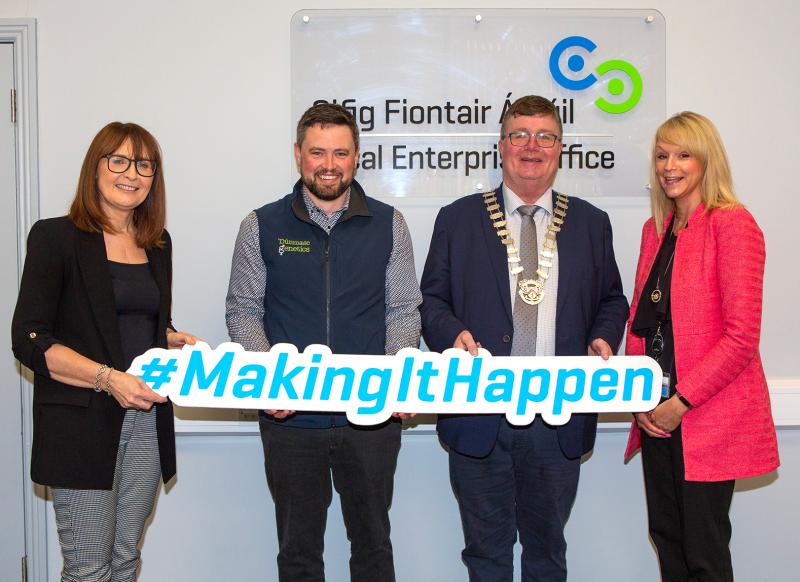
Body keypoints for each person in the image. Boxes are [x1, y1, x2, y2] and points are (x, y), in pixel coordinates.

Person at [420, 95, 629, 582]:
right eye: (520, 135)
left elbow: (612, 300)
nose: (531, 147)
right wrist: (453, 336)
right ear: (501, 146)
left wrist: (603, 338)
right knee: (486, 557)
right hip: (480, 415)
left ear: (561, 149)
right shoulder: (458, 218)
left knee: (547, 555)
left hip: (557, 418)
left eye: (545, 137)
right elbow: (430, 301)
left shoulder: (591, 222)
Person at [225, 102, 421, 582]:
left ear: (356, 157)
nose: (328, 164)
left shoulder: (389, 223)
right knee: (298, 552)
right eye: (317, 152)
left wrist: (397, 379)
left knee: (373, 546)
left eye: (340, 152)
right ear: (298, 155)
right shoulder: (261, 225)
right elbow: (244, 311)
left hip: (370, 419)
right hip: (291, 421)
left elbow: (402, 310)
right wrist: (271, 381)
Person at [11, 122, 198, 581]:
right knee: (89, 568)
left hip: (147, 420)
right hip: (81, 422)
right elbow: (29, 337)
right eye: (118, 160)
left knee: (125, 561)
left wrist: (167, 334)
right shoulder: (55, 238)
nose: (130, 173)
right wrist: (108, 378)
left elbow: (133, 317)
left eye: (144, 164)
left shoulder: (158, 243)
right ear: (94, 168)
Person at [624, 111, 779, 581]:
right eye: (662, 155)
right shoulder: (657, 231)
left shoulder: (733, 225)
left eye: (683, 155)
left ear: (707, 161)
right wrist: (636, 397)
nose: (670, 166)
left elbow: (741, 336)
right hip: (655, 412)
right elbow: (639, 322)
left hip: (705, 416)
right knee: (667, 538)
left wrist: (682, 401)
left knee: (704, 552)